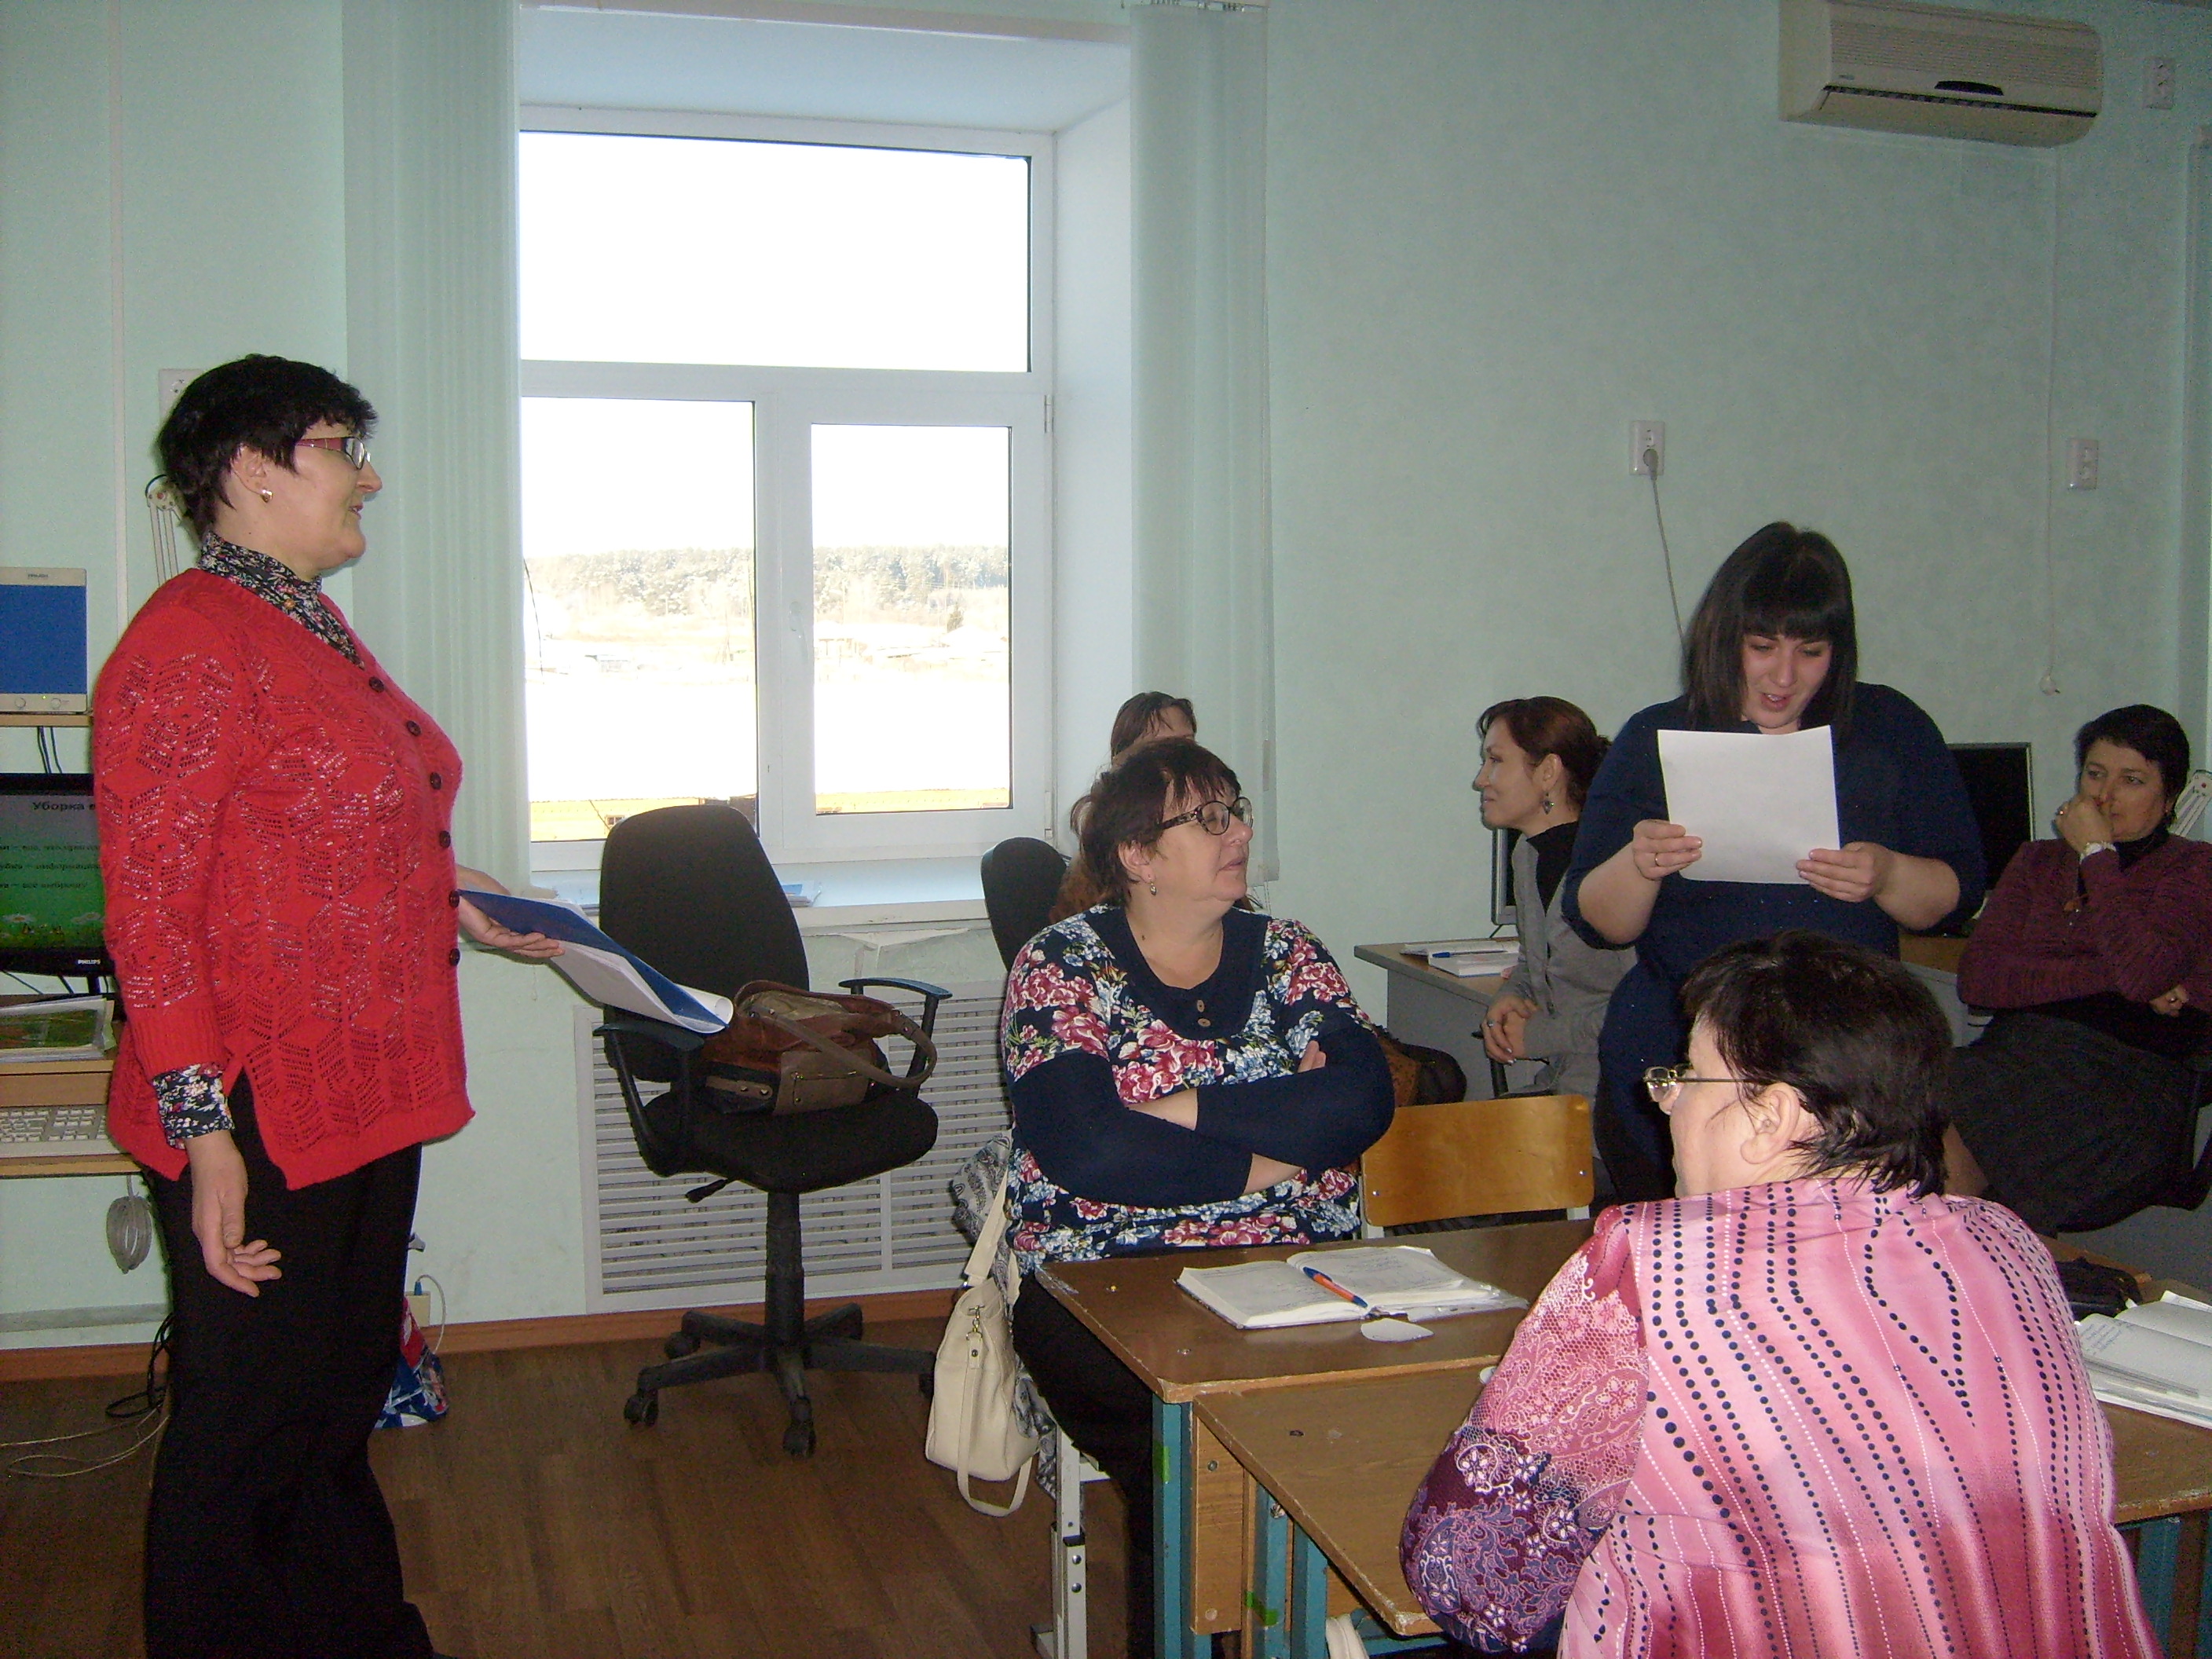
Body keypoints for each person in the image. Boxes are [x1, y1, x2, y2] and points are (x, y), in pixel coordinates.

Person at [97, 355, 558, 1659]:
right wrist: (205, 1138)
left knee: (333, 1406)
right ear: (253, 469)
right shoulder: (189, 641)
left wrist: (450, 890)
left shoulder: (299, 621)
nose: (370, 474)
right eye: (342, 446)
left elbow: (309, 835)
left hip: (357, 1094)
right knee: (245, 1433)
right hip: (256, 1108)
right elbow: (152, 914)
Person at [1401, 931, 2159, 1658]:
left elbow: (1469, 1581)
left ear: (1774, 1118)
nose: (1666, 1102)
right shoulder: (2009, 1245)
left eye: (1688, 1077)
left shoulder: (1648, 1265)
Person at [1001, 736, 1393, 1658]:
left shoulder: (1287, 951)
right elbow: (1090, 1148)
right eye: (1208, 819)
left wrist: (1177, 1110)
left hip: (1291, 1270)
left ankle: (1307, 1628)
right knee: (1182, 1458)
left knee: (1366, 1427)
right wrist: (1274, 1156)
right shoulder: (1060, 965)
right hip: (1103, 1281)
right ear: (1137, 856)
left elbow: (1360, 1101)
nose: (1238, 833)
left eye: (1236, 811)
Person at [1562, 522, 1983, 1201]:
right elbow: (1599, 921)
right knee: (1694, 1242)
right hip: (1687, 1050)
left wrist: (1888, 874)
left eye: (1811, 652)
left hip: (1847, 1061)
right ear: (1722, 637)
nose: (1783, 677)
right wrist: (1640, 863)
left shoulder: (1889, 728)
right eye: (1761, 648)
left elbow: (1955, 894)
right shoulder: (1655, 736)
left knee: (1863, 1238)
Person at [1947, 705, 2212, 1233]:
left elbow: (2144, 974)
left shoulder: (2194, 867)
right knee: (1901, 1095)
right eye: (2095, 774)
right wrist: (2110, 976)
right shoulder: (2036, 861)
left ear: (2169, 798)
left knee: (1951, 1122)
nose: (2105, 796)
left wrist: (2096, 854)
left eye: (2131, 780)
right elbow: (1979, 980)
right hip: (2017, 1056)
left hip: (2121, 1084)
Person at [1473, 697, 1632, 1104]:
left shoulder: (1616, 867)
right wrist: (1509, 996)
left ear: (1547, 772)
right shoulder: (1528, 854)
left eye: (1495, 761)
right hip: (1565, 1085)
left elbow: (1647, 1005)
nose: (1481, 780)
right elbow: (1533, 963)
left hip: (1622, 1095)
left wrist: (1541, 1035)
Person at [1049, 690, 1199, 923]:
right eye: (1161, 746)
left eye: (1187, 744)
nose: (1179, 758)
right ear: (1124, 761)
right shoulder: (1107, 836)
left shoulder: (1213, 818)